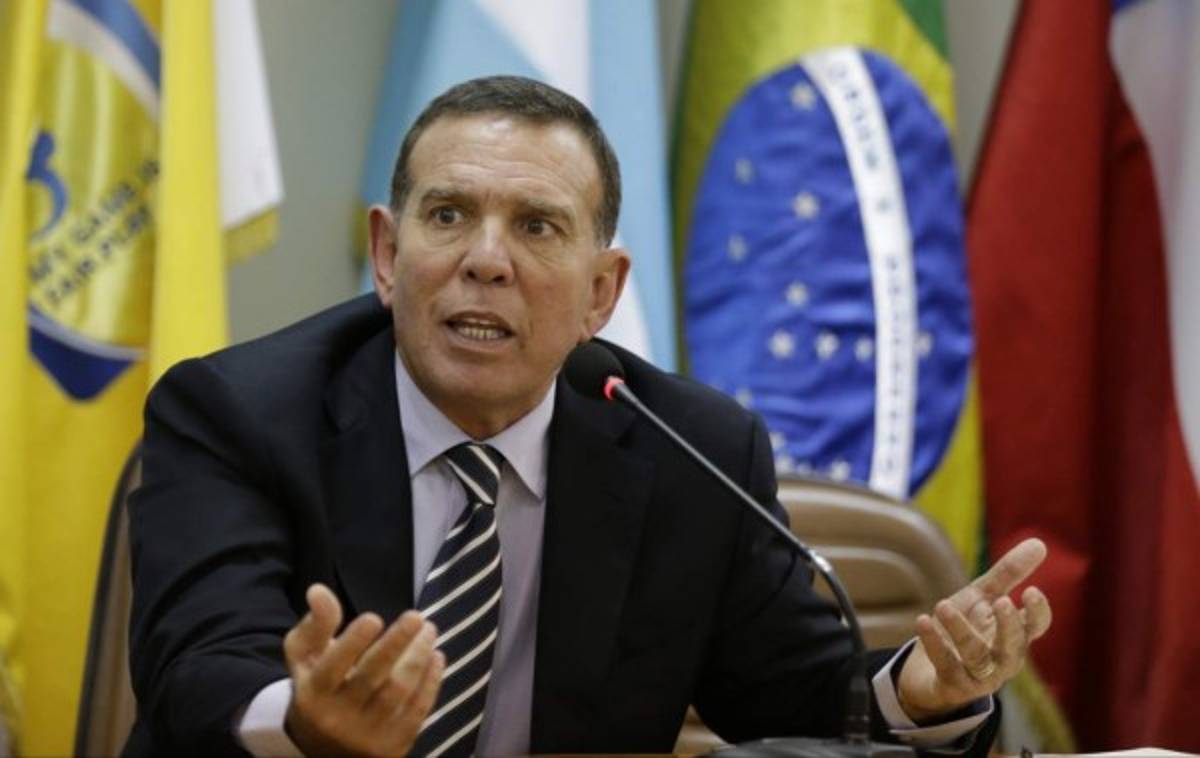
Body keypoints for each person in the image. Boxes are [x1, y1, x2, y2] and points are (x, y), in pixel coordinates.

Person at [125, 76, 1051, 757]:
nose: (486, 260)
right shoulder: (238, 413)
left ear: (601, 293)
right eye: (448, 215)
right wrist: (304, 721)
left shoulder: (693, 449)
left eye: (536, 226)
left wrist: (921, 691)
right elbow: (197, 668)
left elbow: (797, 697)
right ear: (387, 253)